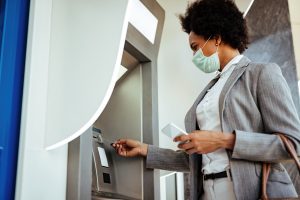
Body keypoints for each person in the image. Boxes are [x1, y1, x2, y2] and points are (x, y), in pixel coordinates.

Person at [111, 0, 300, 199]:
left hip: (254, 192)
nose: (194, 55)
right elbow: (196, 160)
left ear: (216, 38)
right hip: (209, 191)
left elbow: (292, 144)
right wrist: (145, 150)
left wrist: (223, 140)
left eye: (195, 47)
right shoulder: (211, 89)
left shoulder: (261, 74)